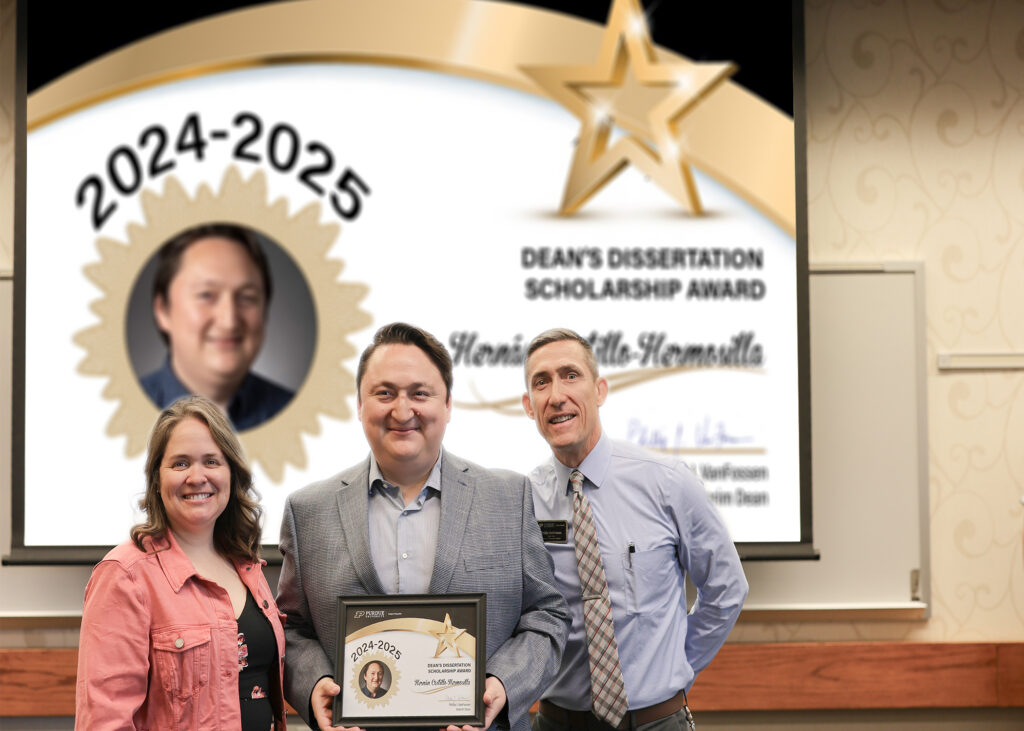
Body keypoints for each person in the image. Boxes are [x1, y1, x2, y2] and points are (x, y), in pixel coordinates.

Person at [276, 322, 569, 731]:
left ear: (448, 404)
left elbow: (546, 614)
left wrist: (502, 686)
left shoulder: (508, 497)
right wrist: (314, 685)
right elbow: (290, 631)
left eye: (419, 393)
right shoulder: (307, 511)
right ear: (359, 405)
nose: (402, 410)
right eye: (384, 393)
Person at [521, 328, 748, 731]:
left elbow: (727, 588)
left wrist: (677, 665)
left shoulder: (667, 482)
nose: (556, 395)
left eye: (571, 375)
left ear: (600, 390)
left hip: (657, 722)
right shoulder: (523, 500)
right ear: (528, 405)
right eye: (542, 382)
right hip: (557, 723)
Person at [75, 395, 287, 730]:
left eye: (212, 462)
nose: (197, 476)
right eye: (180, 463)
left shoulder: (246, 565)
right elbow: (105, 721)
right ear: (157, 480)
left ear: (232, 473)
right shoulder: (125, 575)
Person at [140, 223, 293, 431]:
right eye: (206, 295)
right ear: (163, 310)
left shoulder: (291, 411)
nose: (229, 320)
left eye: (247, 298)